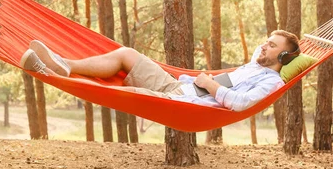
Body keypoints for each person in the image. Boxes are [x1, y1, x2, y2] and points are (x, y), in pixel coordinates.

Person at [20, 30, 300, 112]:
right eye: (264, 41)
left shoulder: (272, 83)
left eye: (271, 45)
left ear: (284, 55)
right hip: (177, 86)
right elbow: (264, 52)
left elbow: (240, 104)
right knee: (126, 54)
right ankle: (65, 65)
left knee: (124, 93)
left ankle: (47, 72)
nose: (263, 46)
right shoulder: (255, 63)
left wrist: (211, 84)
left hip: (184, 103)